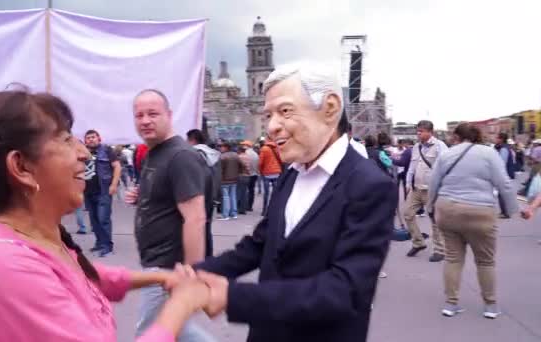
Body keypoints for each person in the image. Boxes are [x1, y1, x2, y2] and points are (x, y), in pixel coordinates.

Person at [0, 90, 212, 341]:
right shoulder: (4, 268)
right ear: (21, 166)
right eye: (66, 139)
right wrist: (181, 304)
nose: (84, 153)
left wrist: (161, 278)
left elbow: (83, 277)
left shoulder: (36, 240)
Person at [191, 63, 397, 342]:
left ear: (330, 108)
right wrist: (200, 273)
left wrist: (232, 297)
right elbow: (261, 243)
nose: (272, 126)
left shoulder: (370, 185)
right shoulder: (292, 173)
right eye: (267, 115)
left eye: (285, 111)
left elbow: (345, 290)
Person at [125, 89, 214, 341]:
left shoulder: (180, 156)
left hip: (168, 265)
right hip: (156, 262)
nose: (144, 120)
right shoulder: (155, 153)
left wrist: (190, 272)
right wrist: (141, 197)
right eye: (139, 115)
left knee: (151, 333)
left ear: (169, 115)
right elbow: (166, 198)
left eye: (153, 113)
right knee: (178, 330)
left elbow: (195, 218)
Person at [427, 123, 517, 319]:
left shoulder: (447, 154)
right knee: (485, 261)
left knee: (453, 258)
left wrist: (430, 207)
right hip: (480, 211)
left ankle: (451, 305)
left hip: (448, 209)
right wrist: (512, 210)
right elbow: (504, 183)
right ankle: (490, 306)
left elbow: (433, 182)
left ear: (457, 137)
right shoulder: (489, 153)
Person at [404, 120, 448, 262]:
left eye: (421, 131)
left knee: (435, 221)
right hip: (416, 189)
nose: (418, 134)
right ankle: (418, 242)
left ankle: (439, 250)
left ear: (430, 132)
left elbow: (446, 167)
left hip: (432, 190)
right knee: (408, 214)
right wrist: (407, 182)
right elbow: (412, 165)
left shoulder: (440, 146)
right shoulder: (416, 147)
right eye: (417, 131)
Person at [83, 130, 121, 257]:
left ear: (99, 138)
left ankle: (107, 246)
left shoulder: (106, 150)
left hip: (103, 191)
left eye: (93, 137)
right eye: (88, 138)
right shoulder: (82, 152)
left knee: (103, 218)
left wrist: (114, 184)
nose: (91, 140)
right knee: (94, 220)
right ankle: (99, 243)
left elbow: (117, 166)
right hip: (88, 192)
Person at [187, 128, 221, 257]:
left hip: (199, 196)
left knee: (196, 228)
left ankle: (200, 257)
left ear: (192, 140)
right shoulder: (213, 154)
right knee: (206, 228)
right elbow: (218, 177)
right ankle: (208, 256)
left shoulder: (194, 154)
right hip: (211, 197)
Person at [494, 133, 516, 219]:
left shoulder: (504, 149)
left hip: (504, 173)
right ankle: (506, 211)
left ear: (501, 139)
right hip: (506, 173)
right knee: (503, 193)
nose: (496, 139)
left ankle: (505, 212)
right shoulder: (505, 148)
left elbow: (501, 163)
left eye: (497, 138)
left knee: (502, 194)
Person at [258, 140, 282, 216]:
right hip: (277, 172)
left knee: (266, 193)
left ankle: (265, 211)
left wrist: (261, 171)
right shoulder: (277, 148)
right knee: (276, 193)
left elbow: (260, 162)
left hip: (267, 173)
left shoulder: (264, 149)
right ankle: (275, 209)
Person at [218, 142, 241, 220]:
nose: (220, 148)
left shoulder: (222, 157)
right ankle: (234, 214)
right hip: (234, 179)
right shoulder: (236, 155)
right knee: (233, 196)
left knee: (225, 197)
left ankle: (226, 215)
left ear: (226, 147)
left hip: (224, 180)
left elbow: (220, 170)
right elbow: (241, 165)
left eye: (221, 146)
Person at [240, 141, 259, 211]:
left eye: (243, 145)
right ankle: (250, 206)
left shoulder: (246, 153)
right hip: (254, 174)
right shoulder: (255, 154)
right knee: (251, 191)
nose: (242, 146)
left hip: (247, 174)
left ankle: (244, 205)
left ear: (247, 145)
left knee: (245, 191)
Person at [237, 145, 253, 215]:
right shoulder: (248, 157)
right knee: (245, 193)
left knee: (239, 193)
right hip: (247, 176)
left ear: (240, 150)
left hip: (241, 175)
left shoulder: (239, 157)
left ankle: (239, 208)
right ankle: (244, 209)